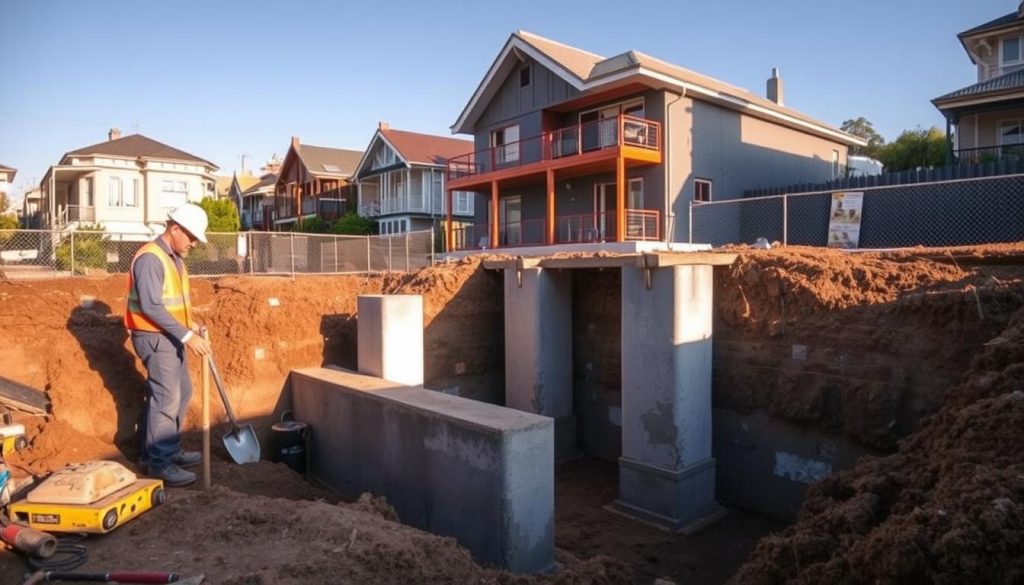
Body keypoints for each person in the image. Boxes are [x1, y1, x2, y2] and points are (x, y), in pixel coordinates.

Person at [124, 203, 212, 487]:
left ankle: (169, 450)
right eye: (192, 236)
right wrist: (188, 336)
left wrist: (191, 325)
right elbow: (150, 306)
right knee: (167, 398)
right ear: (175, 228)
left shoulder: (174, 257)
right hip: (154, 336)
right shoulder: (151, 258)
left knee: (182, 391)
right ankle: (159, 463)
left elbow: (173, 303)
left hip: (171, 334)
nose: (195, 243)